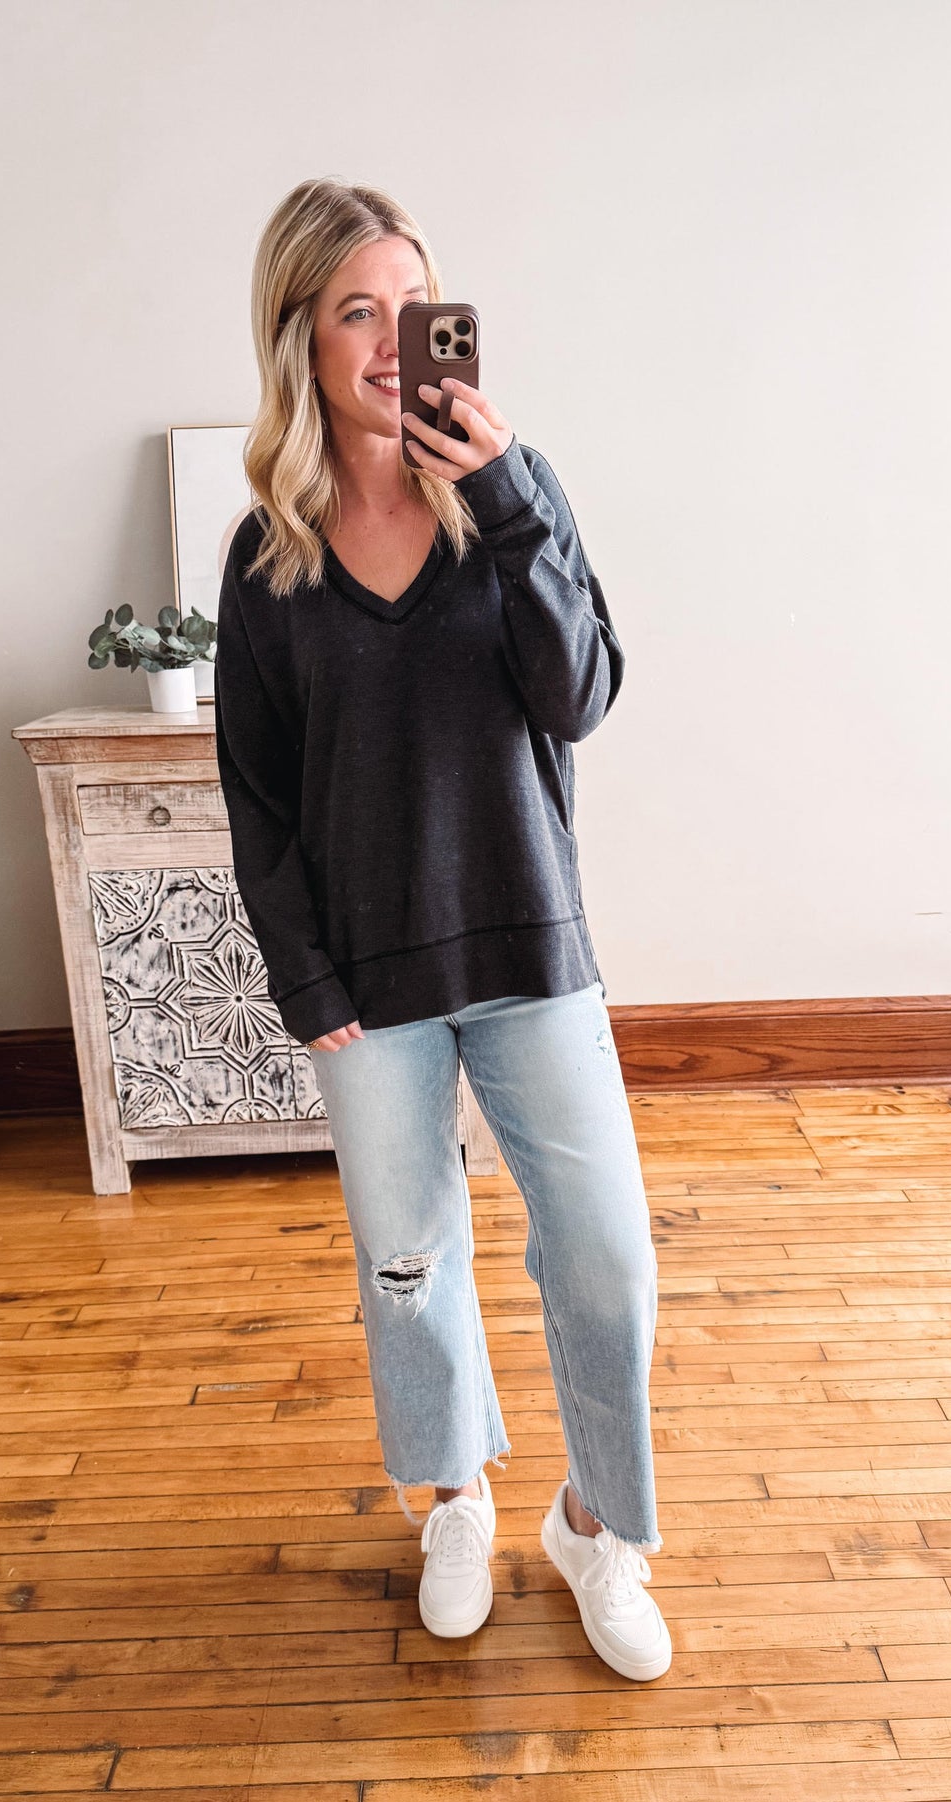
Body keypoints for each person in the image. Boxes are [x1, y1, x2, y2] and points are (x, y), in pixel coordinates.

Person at [213, 177, 669, 1681]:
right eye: (356, 310)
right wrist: (306, 974)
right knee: (406, 1265)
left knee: (601, 1258)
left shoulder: (511, 493)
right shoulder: (265, 551)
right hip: (369, 981)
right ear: (301, 336)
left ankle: (593, 1526)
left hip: (528, 945)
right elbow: (258, 794)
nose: (391, 341)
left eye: (411, 309)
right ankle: (454, 1494)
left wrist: (517, 497)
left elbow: (581, 696)